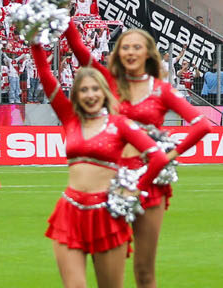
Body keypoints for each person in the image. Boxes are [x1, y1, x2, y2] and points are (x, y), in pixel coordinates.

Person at [65, 24, 214, 288]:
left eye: (137, 47)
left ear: (148, 54)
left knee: (144, 271)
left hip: (150, 183)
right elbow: (79, 50)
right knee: (110, 269)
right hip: (110, 182)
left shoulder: (161, 90)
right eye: (125, 47)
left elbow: (203, 124)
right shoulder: (109, 83)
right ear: (117, 53)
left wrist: (170, 155)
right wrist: (62, 15)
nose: (130, 52)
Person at [29, 40, 168, 288]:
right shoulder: (69, 118)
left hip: (107, 215)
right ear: (76, 95)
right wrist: (36, 43)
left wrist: (136, 189)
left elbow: (157, 157)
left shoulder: (120, 124)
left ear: (104, 92)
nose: (90, 95)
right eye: (83, 90)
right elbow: (46, 75)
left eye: (95, 89)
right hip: (69, 212)